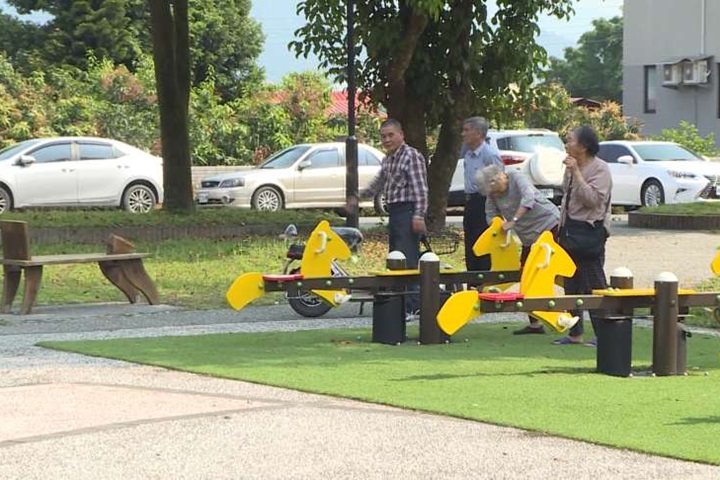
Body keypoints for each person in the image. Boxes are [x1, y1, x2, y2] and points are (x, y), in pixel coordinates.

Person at [348, 118, 428, 318]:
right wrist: (358, 198)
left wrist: (418, 215)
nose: (387, 139)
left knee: (408, 260)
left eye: (391, 135)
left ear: (402, 135)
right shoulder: (389, 159)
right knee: (396, 259)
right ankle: (403, 305)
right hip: (394, 212)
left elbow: (421, 191)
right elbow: (378, 182)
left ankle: (414, 306)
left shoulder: (411, 156)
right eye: (383, 136)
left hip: (408, 212)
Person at [476, 164, 561, 334]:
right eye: (492, 193)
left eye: (496, 191)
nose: (496, 195)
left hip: (549, 225)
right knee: (525, 274)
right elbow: (490, 214)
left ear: (499, 178)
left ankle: (573, 311)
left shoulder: (515, 177)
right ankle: (535, 323)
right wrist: (496, 226)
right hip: (528, 236)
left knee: (553, 272)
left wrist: (513, 220)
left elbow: (528, 197)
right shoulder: (492, 193)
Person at [552, 125, 612, 346]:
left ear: (584, 146)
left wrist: (576, 172)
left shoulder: (600, 169)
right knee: (571, 283)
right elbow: (566, 198)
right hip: (569, 231)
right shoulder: (570, 167)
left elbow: (593, 200)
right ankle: (574, 333)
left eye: (570, 140)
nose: (566, 144)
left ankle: (605, 333)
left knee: (594, 284)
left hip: (590, 233)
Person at [461, 117, 503, 272]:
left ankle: (484, 281)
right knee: (470, 244)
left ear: (478, 133)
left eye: (466, 130)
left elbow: (499, 182)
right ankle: (472, 279)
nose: (463, 134)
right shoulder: (468, 154)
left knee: (483, 244)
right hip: (470, 202)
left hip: (484, 202)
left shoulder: (489, 154)